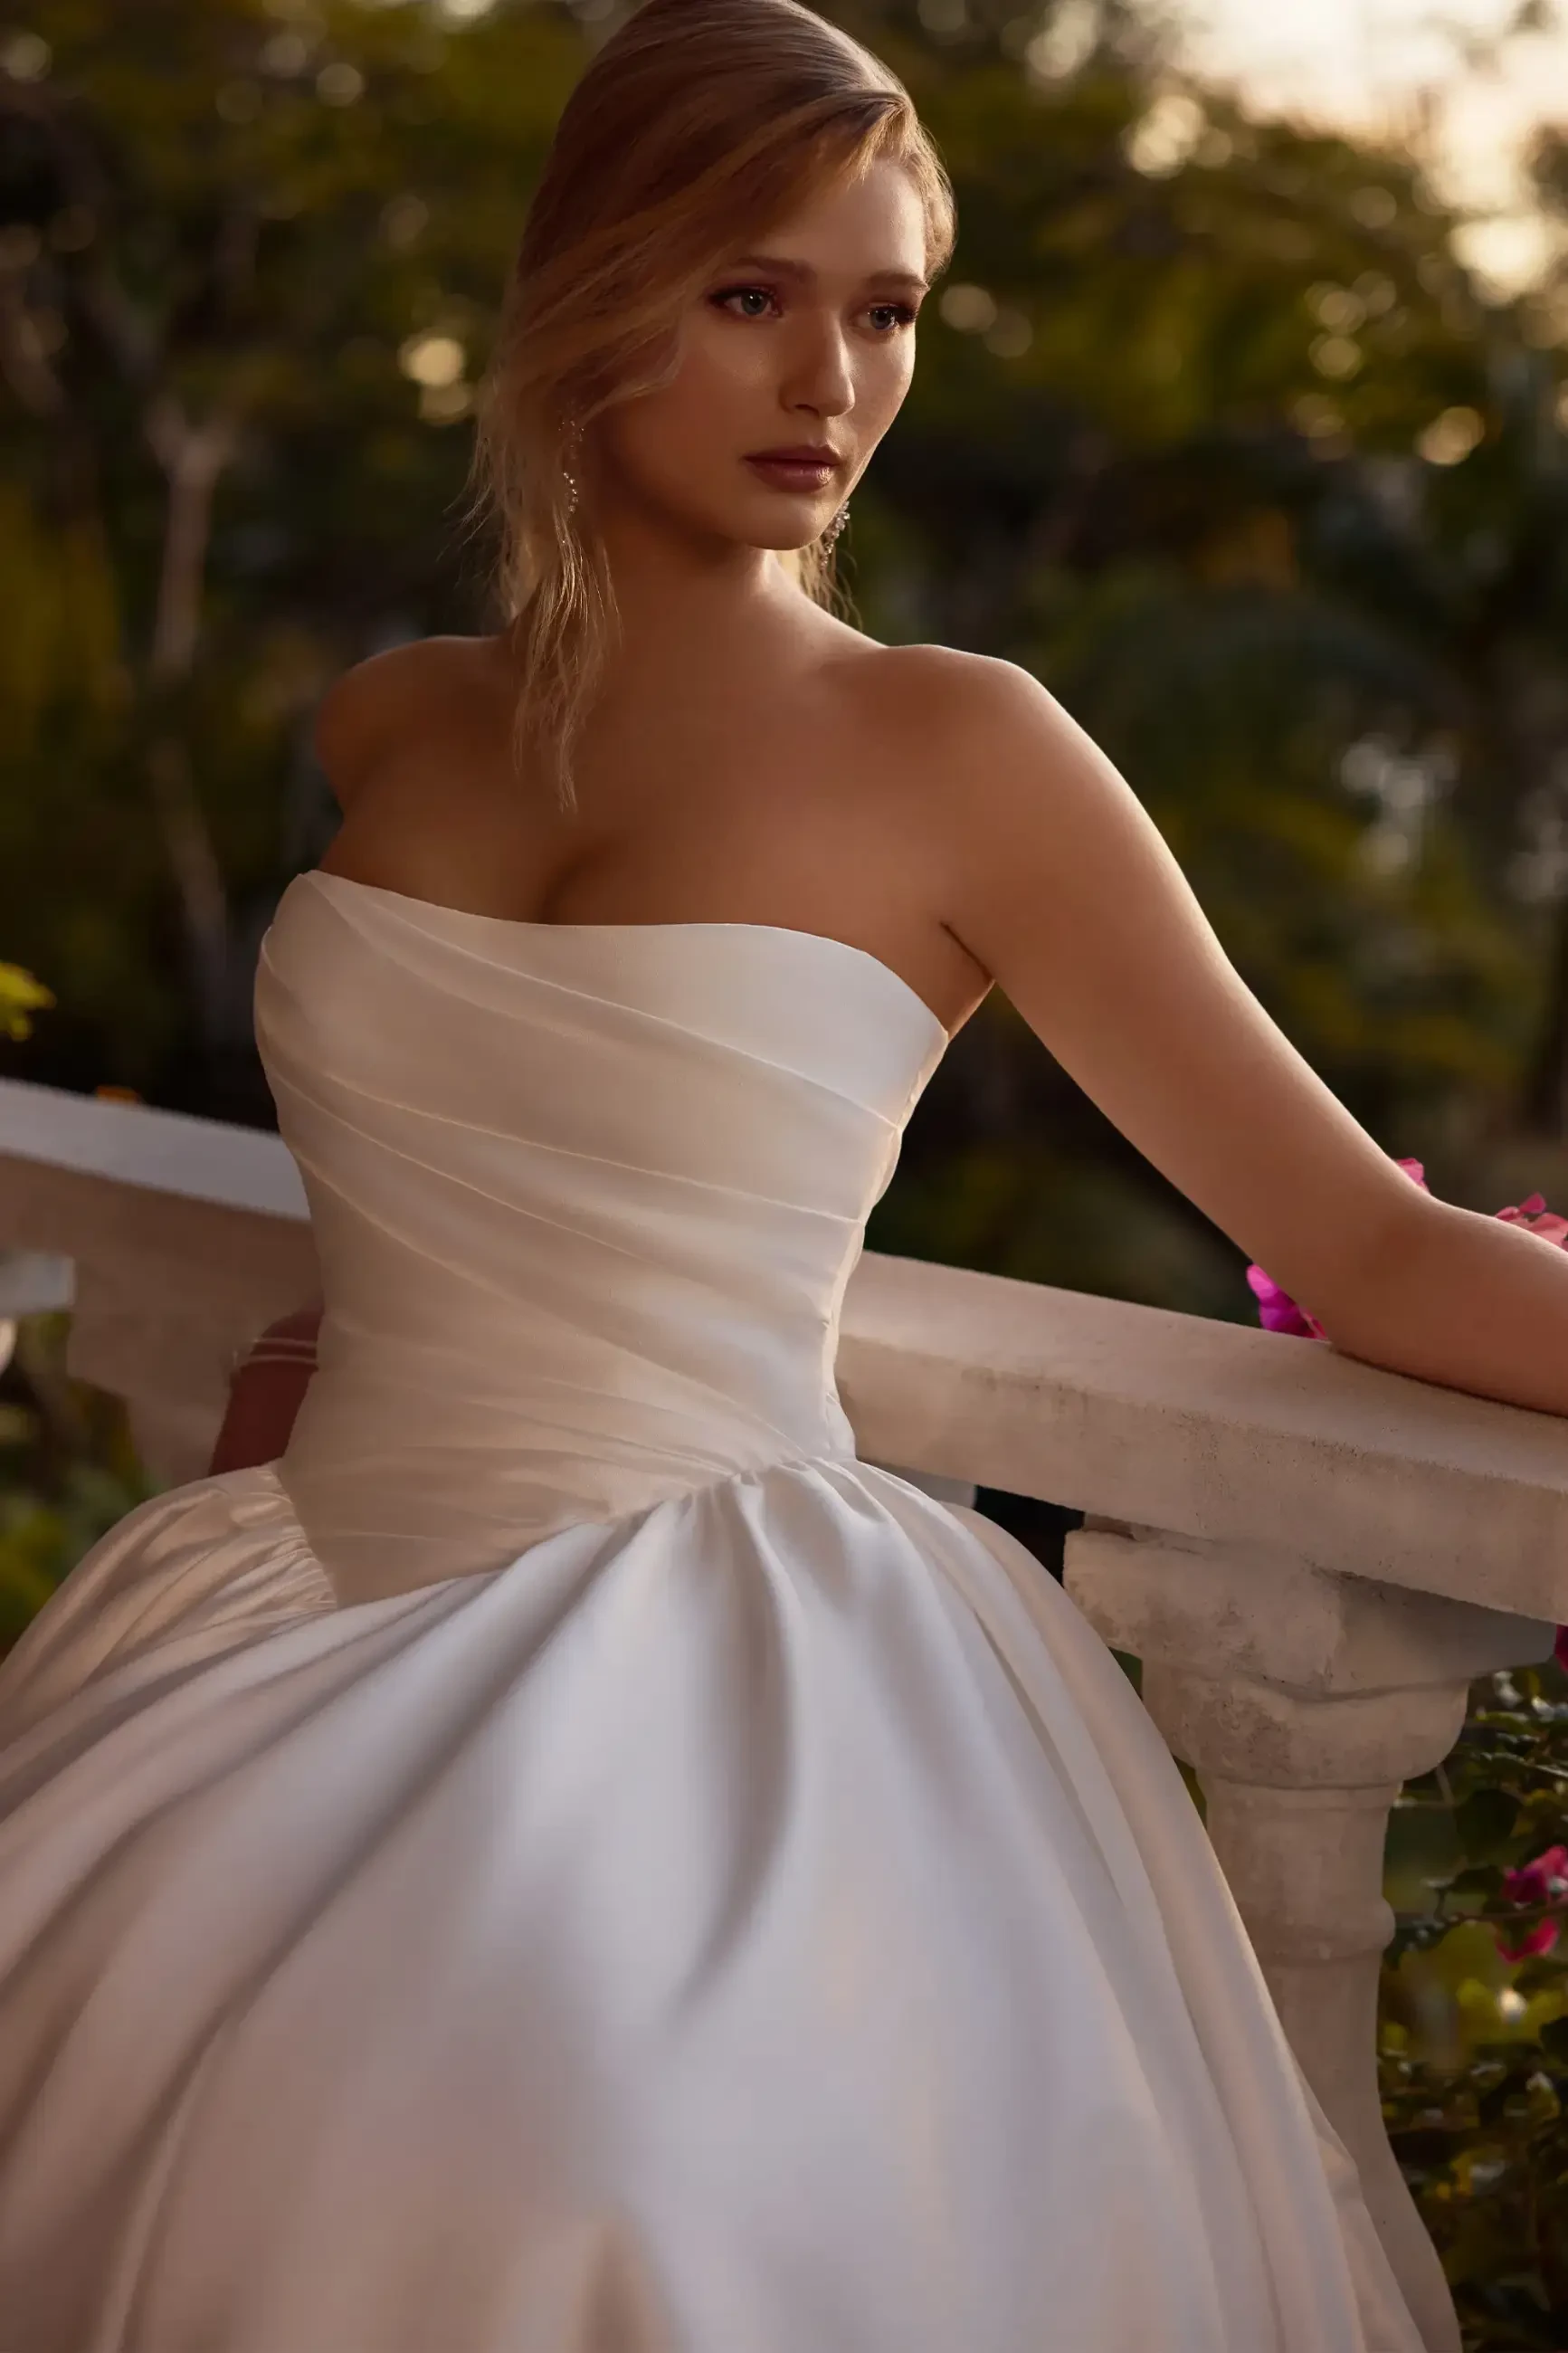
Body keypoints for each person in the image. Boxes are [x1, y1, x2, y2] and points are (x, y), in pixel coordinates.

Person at [4, 1, 1566, 2344]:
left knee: (577, 2191)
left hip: (690, 1672)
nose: (831, 380)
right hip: (286, 1598)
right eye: (751, 293)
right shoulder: (395, 720)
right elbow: (458, 1183)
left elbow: (1358, 1243)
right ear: (585, 291)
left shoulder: (963, 749)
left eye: (886, 309)